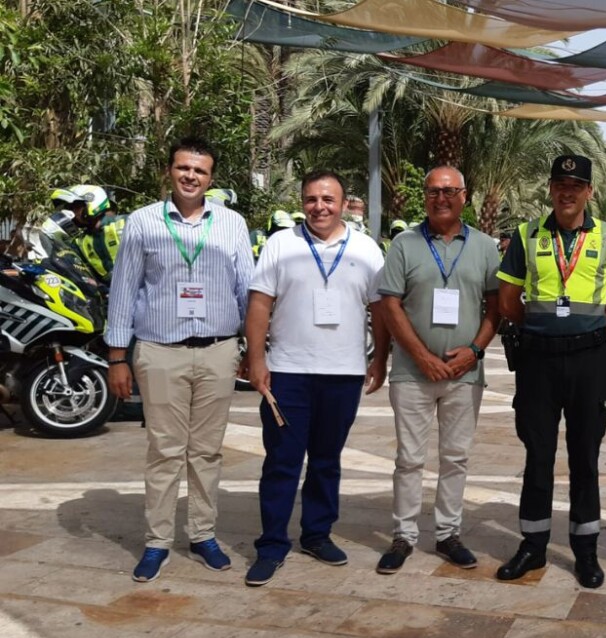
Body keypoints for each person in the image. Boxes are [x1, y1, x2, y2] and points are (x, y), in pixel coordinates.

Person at [106, 136, 254, 582]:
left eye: (200, 171)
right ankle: (157, 541)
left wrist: (252, 349)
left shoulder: (232, 224)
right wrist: (117, 356)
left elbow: (246, 290)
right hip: (159, 352)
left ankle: (203, 534)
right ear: (169, 171)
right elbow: (124, 290)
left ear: (211, 178)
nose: (191, 176)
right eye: (183, 168)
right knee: (165, 450)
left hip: (218, 352)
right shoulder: (143, 222)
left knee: (207, 452)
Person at [495, 154, 606, 589]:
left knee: (585, 458)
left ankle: (586, 551)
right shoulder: (526, 234)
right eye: (559, 183)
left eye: (576, 184)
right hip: (538, 360)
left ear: (589, 191)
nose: (567, 191)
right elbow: (507, 299)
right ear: (551, 188)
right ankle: (533, 546)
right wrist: (540, 331)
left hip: (588, 361)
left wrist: (589, 335)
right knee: (537, 455)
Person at [242, 171, 388, 587]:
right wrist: (256, 359)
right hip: (288, 373)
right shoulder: (280, 244)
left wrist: (380, 361)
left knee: (327, 461)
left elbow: (380, 310)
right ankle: (271, 544)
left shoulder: (365, 249)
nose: (318, 207)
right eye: (310, 199)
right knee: (282, 462)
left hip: (343, 374)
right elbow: (259, 304)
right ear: (302, 203)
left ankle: (317, 534)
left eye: (327, 199)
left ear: (343, 203)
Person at [373, 167, 500, 574]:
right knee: (409, 458)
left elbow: (497, 307)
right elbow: (389, 303)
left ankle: (448, 534)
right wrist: (421, 355)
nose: (440, 198)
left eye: (449, 191)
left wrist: (475, 352)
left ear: (465, 196)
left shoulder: (483, 246)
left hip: (464, 374)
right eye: (433, 191)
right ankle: (404, 536)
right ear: (424, 197)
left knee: (456, 457)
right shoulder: (404, 244)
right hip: (413, 373)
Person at [49, 184, 124, 282]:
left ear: (91, 202)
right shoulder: (80, 242)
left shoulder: (125, 224)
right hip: (112, 293)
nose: (70, 213)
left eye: (74, 207)